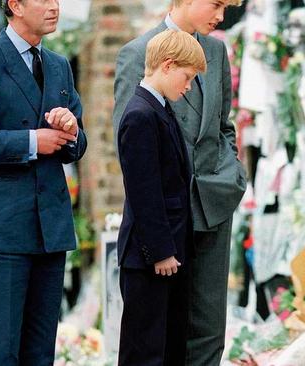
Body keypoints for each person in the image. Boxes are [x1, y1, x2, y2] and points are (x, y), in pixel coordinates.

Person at [0, 0, 87, 364]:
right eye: (44, 0)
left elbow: (78, 143)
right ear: (15, 5)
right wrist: (31, 142)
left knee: (40, 355)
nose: (55, 7)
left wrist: (71, 131)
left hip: (50, 231)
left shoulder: (59, 66)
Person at [113, 1, 246, 363]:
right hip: (167, 218)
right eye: (216, 4)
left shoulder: (216, 50)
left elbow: (223, 125)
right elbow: (132, 148)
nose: (221, 15)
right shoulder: (139, 53)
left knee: (209, 325)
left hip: (214, 204)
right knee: (160, 334)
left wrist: (231, 174)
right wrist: (157, 238)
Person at [116, 29, 206, 366]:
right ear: (167, 66)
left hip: (166, 254)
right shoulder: (141, 115)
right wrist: (161, 251)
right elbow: (145, 191)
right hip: (150, 257)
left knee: (169, 347)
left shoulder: (159, 109)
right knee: (146, 350)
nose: (188, 87)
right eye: (187, 77)